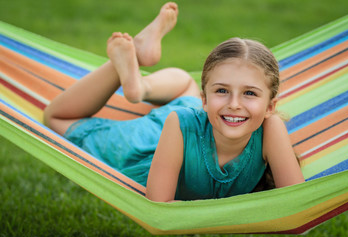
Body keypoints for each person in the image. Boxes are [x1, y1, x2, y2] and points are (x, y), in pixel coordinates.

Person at [44, 2, 304, 202]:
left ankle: (141, 76)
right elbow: (159, 207)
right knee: (55, 117)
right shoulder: (180, 122)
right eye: (222, 90)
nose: (235, 103)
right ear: (205, 99)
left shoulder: (271, 129)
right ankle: (132, 79)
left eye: (250, 93)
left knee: (184, 83)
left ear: (271, 107)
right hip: (155, 140)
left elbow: (296, 207)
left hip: (194, 119)